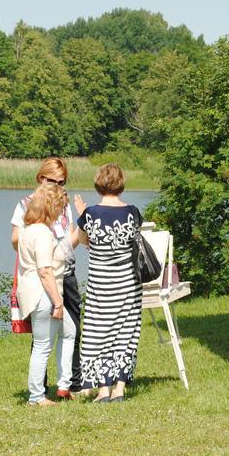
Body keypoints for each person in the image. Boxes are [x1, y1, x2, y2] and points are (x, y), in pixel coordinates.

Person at [11, 158, 85, 399]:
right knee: (43, 340)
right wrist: (40, 251)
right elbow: (24, 247)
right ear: (40, 178)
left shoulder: (62, 207)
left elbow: (70, 244)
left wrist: (81, 228)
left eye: (61, 182)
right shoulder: (30, 213)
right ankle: (37, 393)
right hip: (45, 281)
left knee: (71, 330)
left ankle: (69, 384)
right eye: (52, 181)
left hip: (64, 275)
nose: (57, 186)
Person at [77, 163, 144, 402]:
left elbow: (84, 241)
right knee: (126, 333)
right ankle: (120, 389)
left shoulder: (90, 214)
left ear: (98, 183)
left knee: (98, 333)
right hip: (127, 285)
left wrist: (82, 212)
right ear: (121, 183)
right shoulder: (133, 212)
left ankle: (103, 390)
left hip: (100, 286)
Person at [15, 184, 72, 406]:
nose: (61, 212)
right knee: (42, 345)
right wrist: (58, 302)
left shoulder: (28, 230)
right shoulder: (41, 233)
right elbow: (45, 270)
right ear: (50, 207)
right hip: (43, 295)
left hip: (38, 293)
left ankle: (64, 385)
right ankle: (36, 396)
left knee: (69, 331)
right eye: (60, 207)